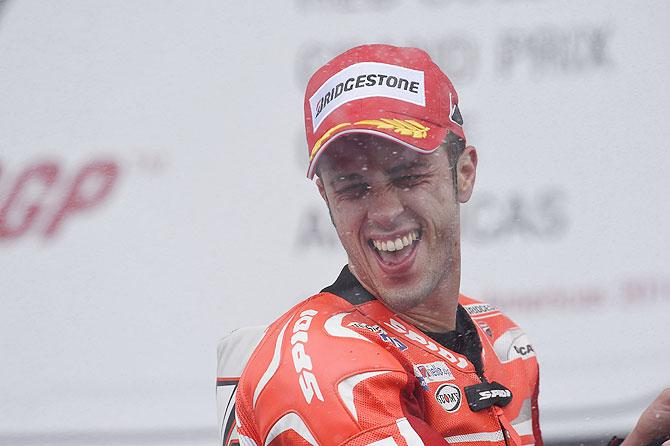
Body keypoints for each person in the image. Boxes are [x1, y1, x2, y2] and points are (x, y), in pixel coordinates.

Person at [228, 44, 669, 446]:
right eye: (353, 187)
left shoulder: (500, 340)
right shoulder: (331, 366)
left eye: (407, 176)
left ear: (464, 173)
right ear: (326, 197)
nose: (383, 212)